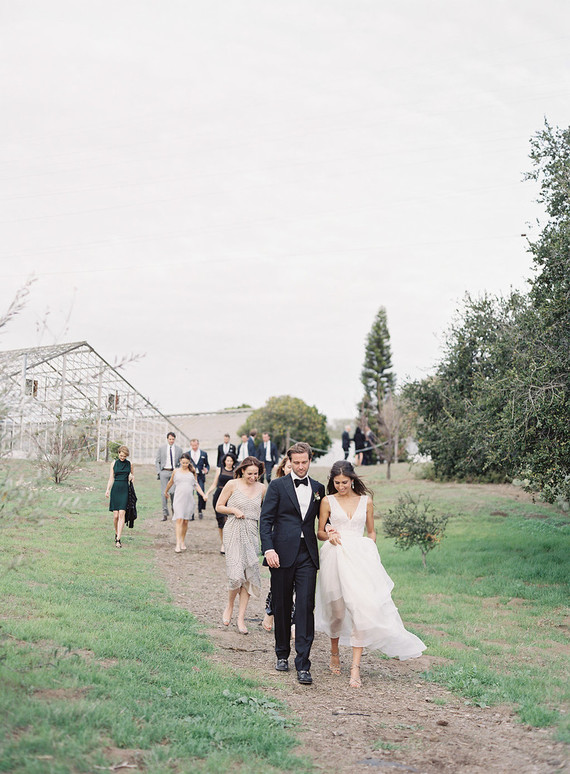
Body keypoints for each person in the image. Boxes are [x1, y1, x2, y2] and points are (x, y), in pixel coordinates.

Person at [315, 460, 426, 688]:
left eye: (344, 482)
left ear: (353, 479)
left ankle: (355, 667)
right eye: (336, 482)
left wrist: (369, 552)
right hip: (335, 557)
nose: (340, 486)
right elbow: (319, 531)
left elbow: (372, 532)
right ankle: (334, 651)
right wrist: (330, 535)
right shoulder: (327, 501)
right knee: (336, 612)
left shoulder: (366, 501)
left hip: (360, 559)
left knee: (361, 609)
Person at [259, 442, 326, 685]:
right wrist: (268, 549)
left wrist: (331, 528)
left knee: (306, 607)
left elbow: (323, 519)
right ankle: (281, 654)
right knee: (283, 604)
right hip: (281, 554)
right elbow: (265, 521)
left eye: (304, 462)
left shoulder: (319, 488)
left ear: (310, 461)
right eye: (296, 462)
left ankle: (303, 664)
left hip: (307, 554)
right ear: (289, 461)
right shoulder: (277, 486)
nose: (300, 466)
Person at [215, 456, 266, 635]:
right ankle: (229, 606)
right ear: (242, 471)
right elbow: (218, 506)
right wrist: (233, 510)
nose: (253, 477)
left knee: (249, 575)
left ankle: (241, 618)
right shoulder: (232, 485)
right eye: (250, 473)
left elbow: (267, 513)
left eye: (256, 474)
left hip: (252, 531)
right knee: (236, 575)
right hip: (234, 529)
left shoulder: (262, 488)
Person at [262, 456, 293, 633]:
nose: (292, 470)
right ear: (283, 468)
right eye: (288, 467)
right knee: (276, 586)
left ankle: (292, 620)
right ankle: (270, 612)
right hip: (279, 541)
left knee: (295, 586)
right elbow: (267, 518)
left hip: (298, 544)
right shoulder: (276, 487)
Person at [164, 453, 207, 553]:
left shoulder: (192, 472)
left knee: (185, 521)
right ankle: (178, 543)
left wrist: (203, 494)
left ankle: (183, 540)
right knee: (179, 519)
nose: (185, 464)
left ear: (189, 462)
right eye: (183, 463)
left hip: (189, 500)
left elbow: (196, 485)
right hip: (178, 499)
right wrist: (166, 491)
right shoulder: (176, 472)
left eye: (187, 463)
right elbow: (170, 482)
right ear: (180, 461)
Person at [206, 452, 237, 554]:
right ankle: (223, 543)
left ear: (233, 462)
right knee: (220, 522)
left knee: (228, 521)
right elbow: (214, 484)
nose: (229, 462)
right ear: (224, 461)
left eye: (231, 461)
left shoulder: (235, 472)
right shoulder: (220, 470)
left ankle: (230, 543)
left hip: (230, 497)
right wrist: (207, 493)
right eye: (227, 460)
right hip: (219, 496)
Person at [105, 445, 134, 549]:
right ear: (118, 454)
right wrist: (107, 489)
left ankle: (118, 539)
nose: (122, 458)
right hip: (116, 489)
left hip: (125, 489)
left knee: (122, 514)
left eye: (124, 456)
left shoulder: (129, 464)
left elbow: (132, 477)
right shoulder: (113, 463)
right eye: (121, 456)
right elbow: (111, 478)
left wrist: (131, 478)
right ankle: (116, 532)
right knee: (115, 516)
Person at [155, 432, 183, 520]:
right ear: (167, 439)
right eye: (170, 439)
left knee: (173, 492)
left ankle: (174, 510)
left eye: (173, 439)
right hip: (164, 471)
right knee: (164, 493)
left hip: (174, 472)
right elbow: (157, 461)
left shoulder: (179, 449)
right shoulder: (161, 448)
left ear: (175, 439)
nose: (171, 441)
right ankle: (164, 514)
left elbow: (182, 461)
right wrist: (159, 472)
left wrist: (180, 470)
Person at [187, 438, 209, 519]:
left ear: (198, 444)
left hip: (200, 477)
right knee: (190, 495)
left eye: (195, 445)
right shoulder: (187, 454)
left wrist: (206, 470)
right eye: (192, 445)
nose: (194, 447)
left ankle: (200, 510)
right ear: (190, 445)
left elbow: (207, 465)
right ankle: (191, 513)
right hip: (190, 477)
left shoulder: (204, 454)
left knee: (201, 494)